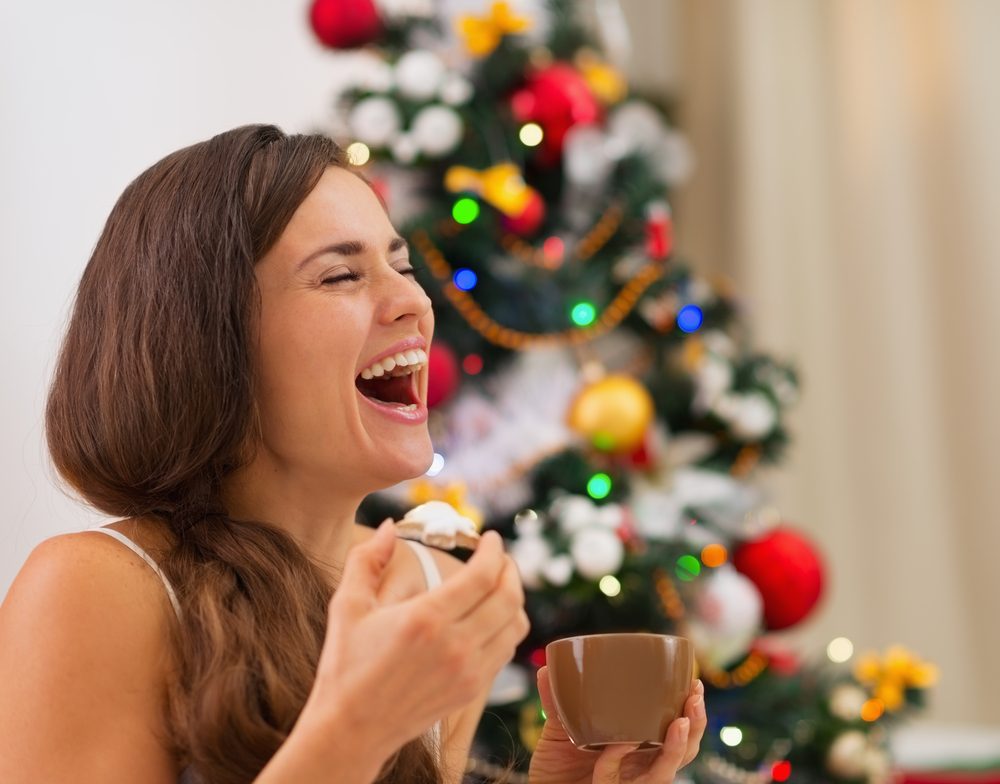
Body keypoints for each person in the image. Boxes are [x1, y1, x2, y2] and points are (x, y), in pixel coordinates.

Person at [0, 125, 706, 783]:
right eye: (340, 276)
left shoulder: (429, 588)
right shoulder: (98, 588)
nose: (413, 303)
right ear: (206, 346)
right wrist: (356, 730)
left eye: (402, 266)